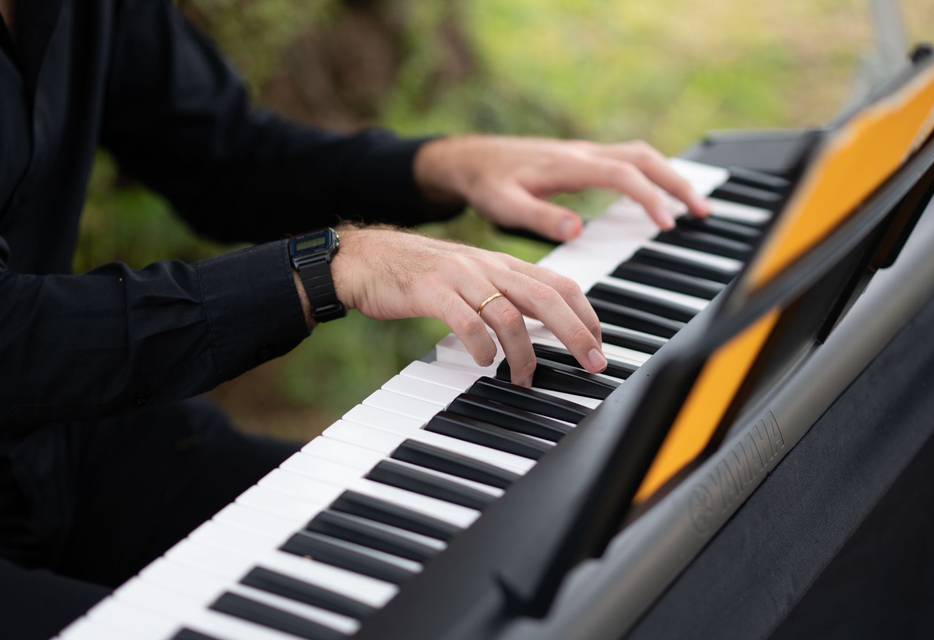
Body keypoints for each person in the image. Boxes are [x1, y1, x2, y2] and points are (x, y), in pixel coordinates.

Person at [0, 0, 709, 636]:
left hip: (66, 440)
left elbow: (221, 156)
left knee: (458, 560)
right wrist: (325, 267)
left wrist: (445, 164)